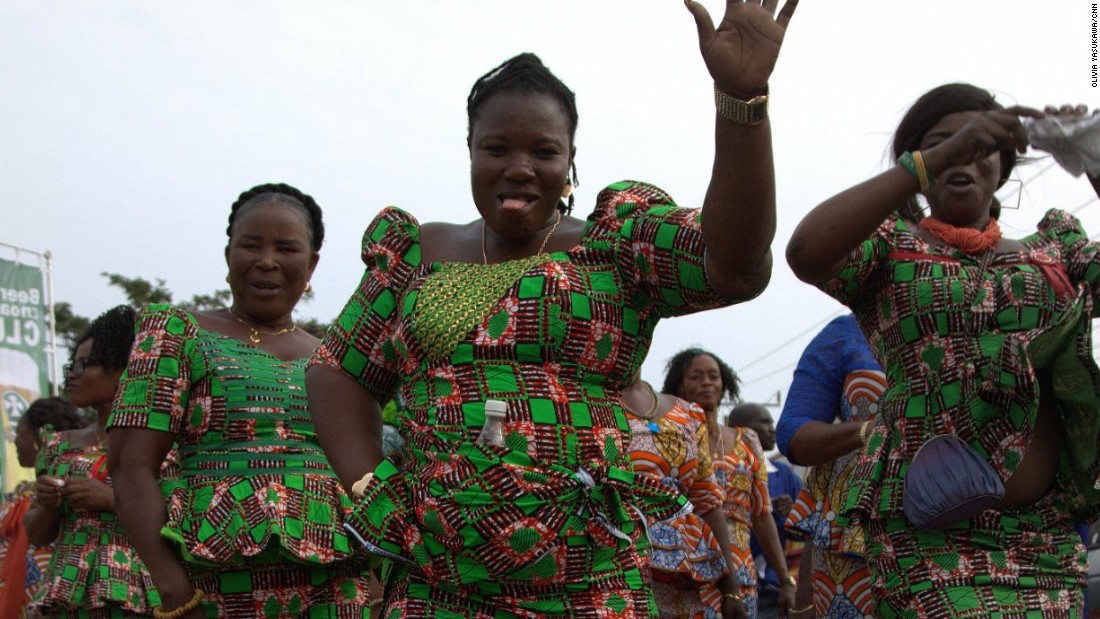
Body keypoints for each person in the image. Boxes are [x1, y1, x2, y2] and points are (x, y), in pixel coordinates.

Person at [306, 1, 798, 615]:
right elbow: (336, 370)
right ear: (469, 150)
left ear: (570, 159)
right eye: (496, 149)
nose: (519, 169)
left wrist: (742, 102)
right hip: (438, 585)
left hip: (588, 585)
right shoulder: (416, 253)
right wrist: (371, 488)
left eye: (543, 151)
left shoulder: (615, 243)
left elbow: (737, 266)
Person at [786, 85, 1100, 615]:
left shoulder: (1055, 250)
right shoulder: (888, 249)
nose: (963, 153)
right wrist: (928, 162)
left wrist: (1093, 158)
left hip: (1045, 536)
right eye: (944, 143)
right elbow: (806, 251)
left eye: (979, 144)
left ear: (1004, 162)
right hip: (928, 534)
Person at [108, 184, 371, 619]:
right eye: (251, 245)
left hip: (335, 589)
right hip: (211, 590)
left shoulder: (333, 358)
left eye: (286, 248)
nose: (267, 261)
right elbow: (129, 466)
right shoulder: (177, 333)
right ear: (228, 254)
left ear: (312, 265)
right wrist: (174, 590)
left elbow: (357, 474)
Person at [23, 305, 165, 617]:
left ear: (122, 371)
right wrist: (48, 505)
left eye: (86, 364)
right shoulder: (58, 446)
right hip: (67, 595)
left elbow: (180, 523)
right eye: (72, 364)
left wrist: (113, 500)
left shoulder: (161, 445)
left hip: (138, 594)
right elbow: (38, 535)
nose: (72, 374)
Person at [662, 349, 795, 618]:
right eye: (696, 377)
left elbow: (762, 514)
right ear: (680, 385)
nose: (707, 383)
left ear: (724, 384)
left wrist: (785, 580)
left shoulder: (746, 441)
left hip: (740, 570)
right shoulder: (669, 436)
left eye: (713, 376)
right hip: (687, 572)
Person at [775, 314, 885, 617]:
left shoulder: (985, 313)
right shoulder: (847, 333)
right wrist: (871, 430)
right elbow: (792, 434)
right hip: (860, 529)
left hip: (972, 513)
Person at [623, 376, 742, 619]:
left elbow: (706, 502)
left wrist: (731, 590)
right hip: (616, 574)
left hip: (682, 582)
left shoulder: (688, 414)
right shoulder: (585, 404)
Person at [0, 397, 85, 619]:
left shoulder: (42, 494)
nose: (15, 441)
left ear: (39, 438)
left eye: (19, 432)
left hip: (43, 596)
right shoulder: (31, 492)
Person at [731, 403, 802, 619]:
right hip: (733, 586)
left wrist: (793, 515)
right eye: (763, 422)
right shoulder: (725, 471)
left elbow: (804, 533)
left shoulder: (785, 476)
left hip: (774, 588)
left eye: (771, 421)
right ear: (740, 429)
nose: (772, 428)